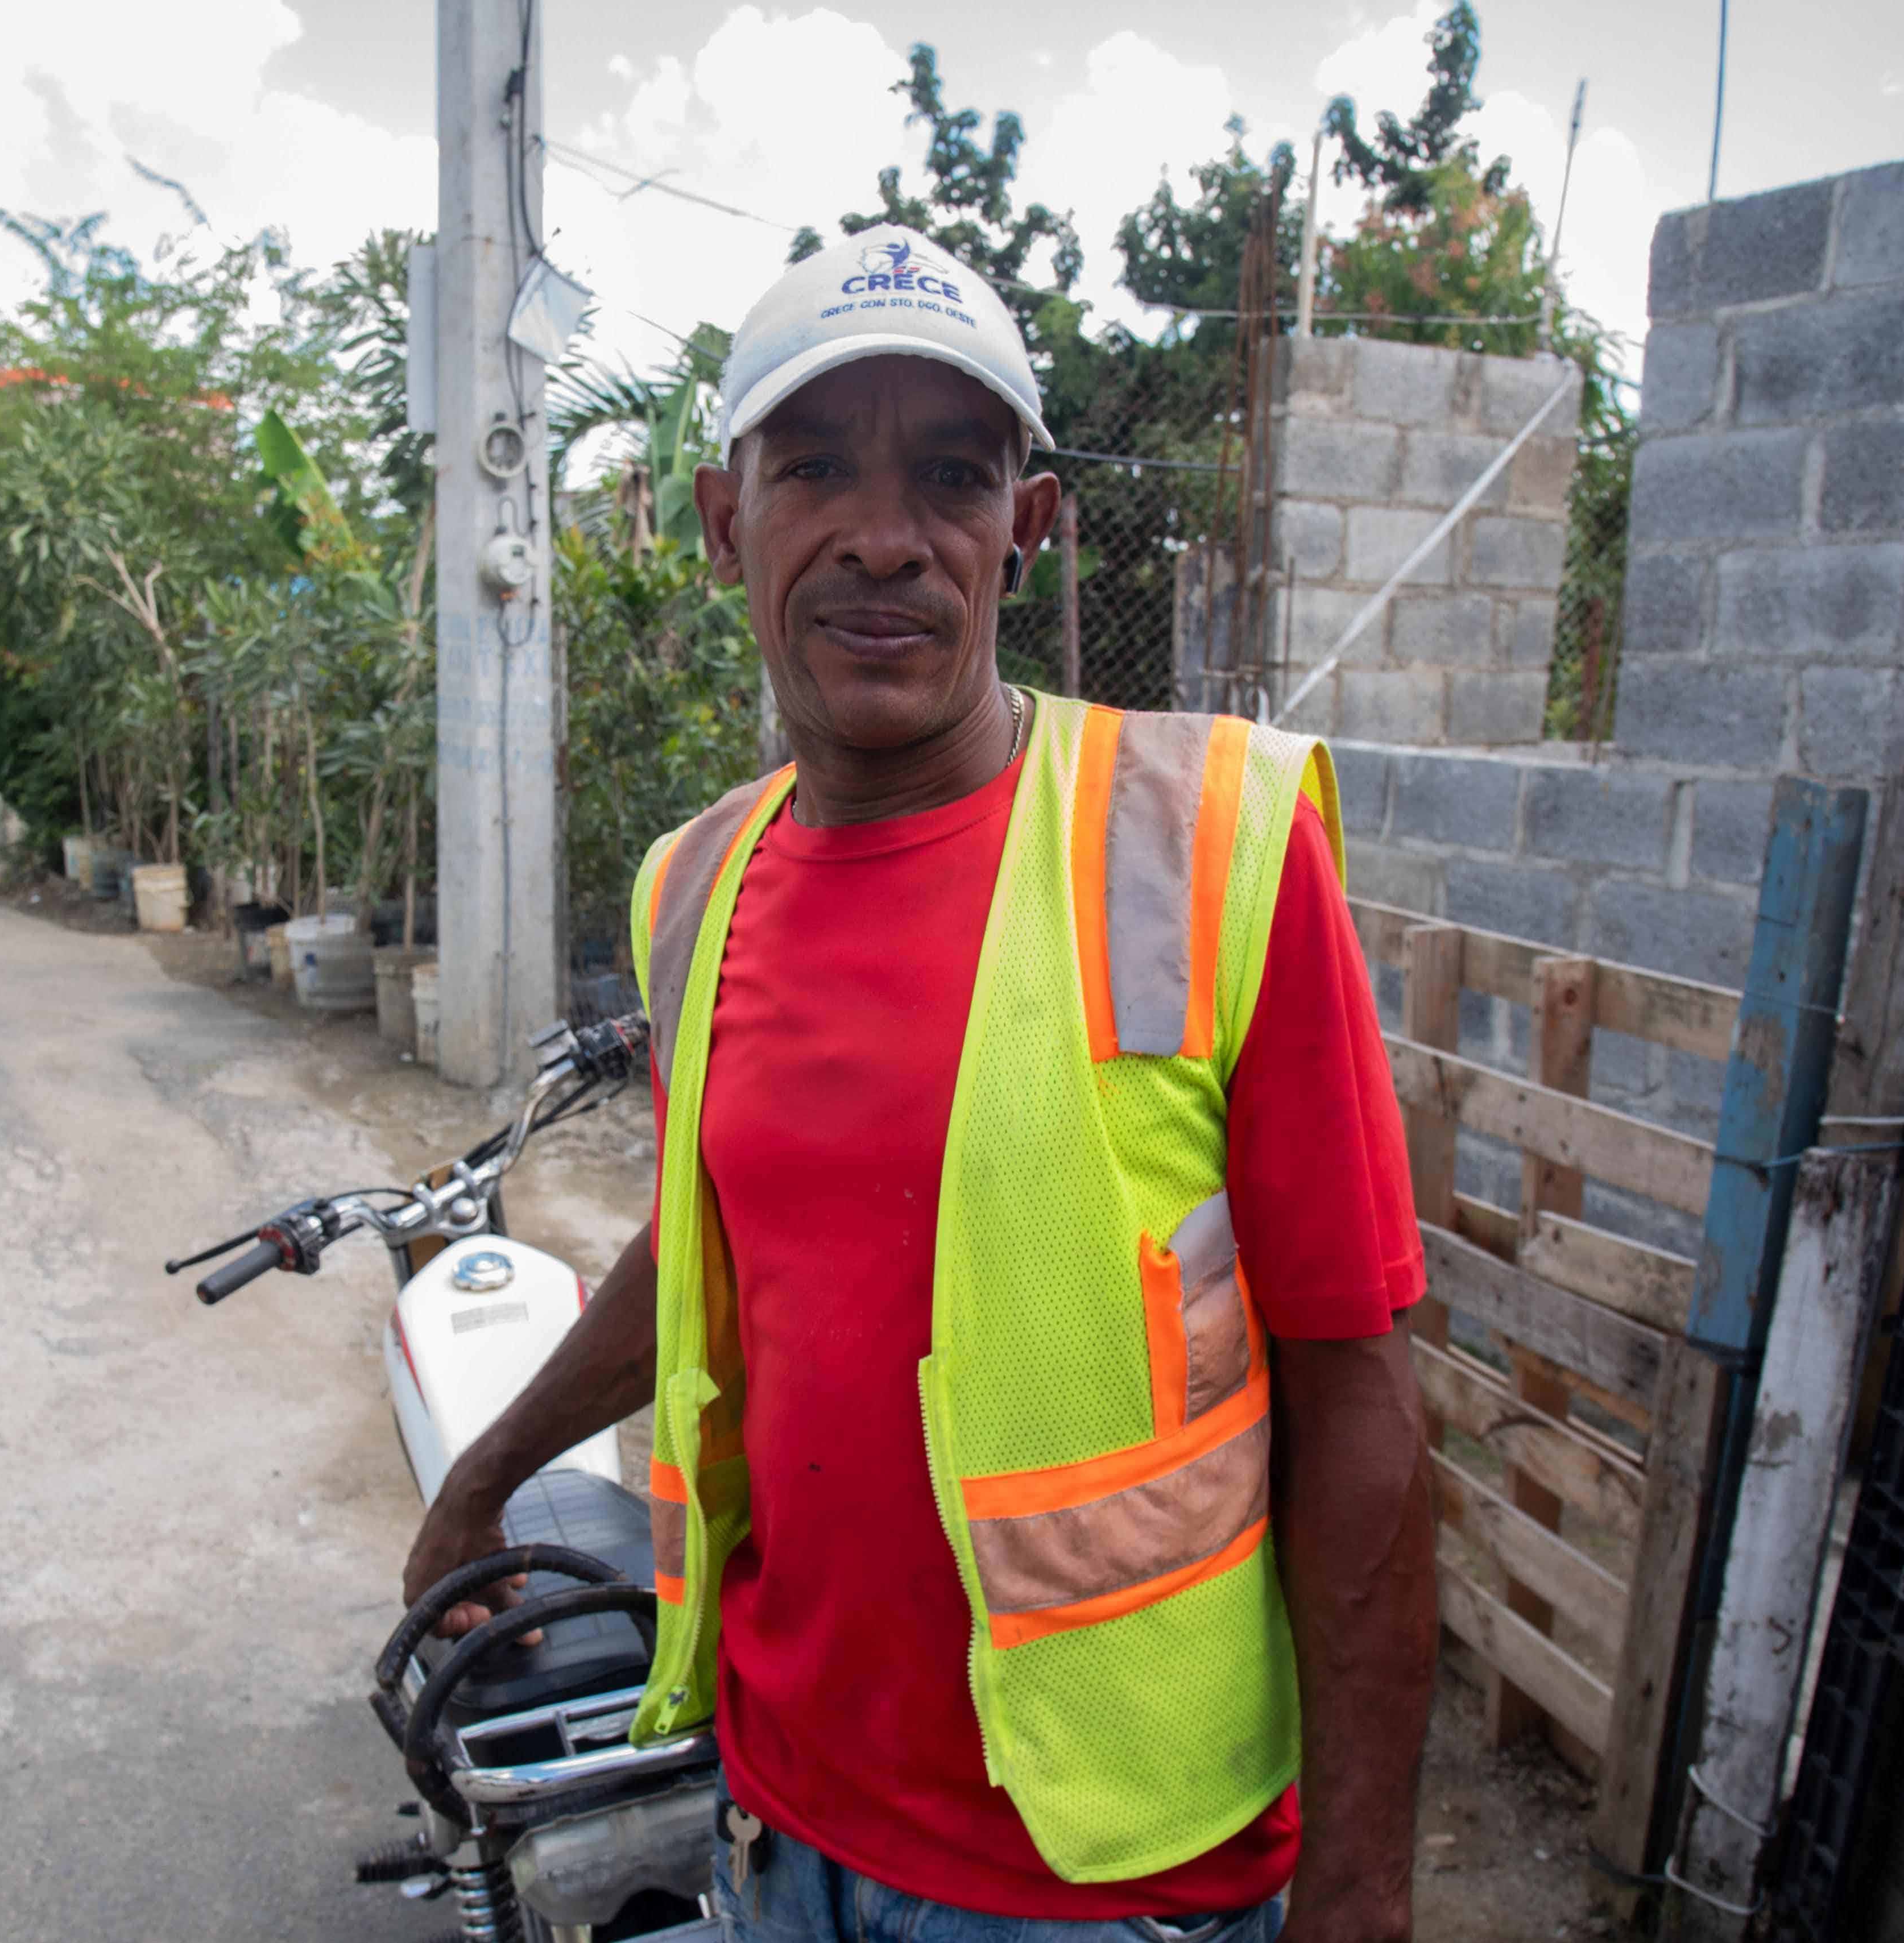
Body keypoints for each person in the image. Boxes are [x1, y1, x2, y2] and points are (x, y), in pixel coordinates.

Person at [403, 225, 1437, 1943]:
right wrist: (481, 1473)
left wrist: (1366, 1890)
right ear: (726, 524)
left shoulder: (1205, 853)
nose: (886, 534)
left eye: (952, 475)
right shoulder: (694, 885)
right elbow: (706, 1247)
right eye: (815, 467)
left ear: (1024, 532)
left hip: (1110, 1885)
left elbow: (1363, 1394)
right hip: (775, 1816)